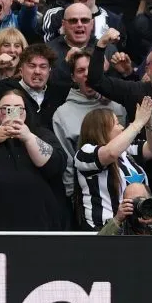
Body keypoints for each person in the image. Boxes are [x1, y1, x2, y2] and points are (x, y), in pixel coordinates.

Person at [0, 88, 66, 230]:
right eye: (6, 109)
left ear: (26, 111)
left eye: (18, 109)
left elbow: (56, 164)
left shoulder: (41, 134)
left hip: (37, 222)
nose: (12, 113)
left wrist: (28, 137)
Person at [52, 50, 127, 223]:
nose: (87, 74)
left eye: (91, 69)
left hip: (125, 191)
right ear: (73, 77)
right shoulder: (62, 115)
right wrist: (73, 198)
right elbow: (67, 163)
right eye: (80, 71)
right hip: (90, 199)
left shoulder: (117, 105)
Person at [75, 97, 152, 231]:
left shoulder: (125, 150)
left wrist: (149, 123)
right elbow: (110, 153)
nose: (122, 127)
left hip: (135, 228)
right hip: (104, 230)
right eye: (116, 123)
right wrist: (137, 123)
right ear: (102, 129)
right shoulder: (85, 152)